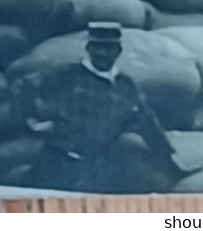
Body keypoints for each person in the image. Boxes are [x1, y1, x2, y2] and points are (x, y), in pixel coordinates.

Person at [12, 23, 191, 193]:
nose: (102, 54)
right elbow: (23, 88)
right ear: (89, 49)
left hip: (96, 170)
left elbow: (148, 125)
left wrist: (171, 160)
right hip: (56, 163)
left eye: (108, 48)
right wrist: (32, 123)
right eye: (97, 48)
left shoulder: (126, 86)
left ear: (118, 51)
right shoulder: (65, 75)